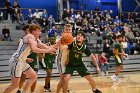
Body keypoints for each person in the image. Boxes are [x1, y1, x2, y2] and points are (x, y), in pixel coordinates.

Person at [4, 24, 56, 93]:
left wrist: (52, 49)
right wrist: (47, 51)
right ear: (33, 32)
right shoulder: (30, 36)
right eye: (38, 31)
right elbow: (34, 49)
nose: (40, 33)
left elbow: (42, 45)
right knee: (15, 85)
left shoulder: (35, 39)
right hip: (16, 61)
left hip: (22, 61)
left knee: (33, 76)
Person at [16, 25, 39, 93]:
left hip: (34, 59)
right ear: (25, 31)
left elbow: (38, 47)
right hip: (24, 59)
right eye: (28, 30)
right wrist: (25, 59)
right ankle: (19, 89)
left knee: (35, 75)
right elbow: (19, 52)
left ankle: (32, 91)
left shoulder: (36, 39)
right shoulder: (21, 40)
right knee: (23, 75)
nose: (29, 31)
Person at [56, 24, 73, 93]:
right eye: (66, 29)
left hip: (67, 60)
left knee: (66, 79)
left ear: (71, 31)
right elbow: (62, 48)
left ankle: (65, 90)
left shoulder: (72, 39)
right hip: (60, 60)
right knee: (62, 79)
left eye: (69, 30)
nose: (68, 31)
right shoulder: (59, 38)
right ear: (63, 30)